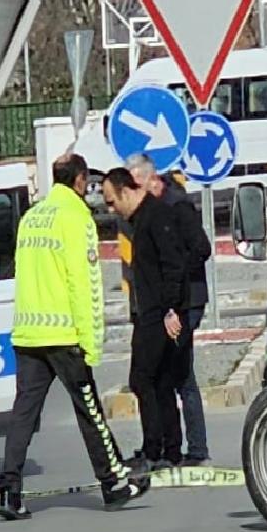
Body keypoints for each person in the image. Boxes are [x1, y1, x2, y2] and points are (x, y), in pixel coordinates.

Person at [0, 154, 147, 520]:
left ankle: (9, 491)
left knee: (23, 414)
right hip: (63, 333)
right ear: (80, 181)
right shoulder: (76, 218)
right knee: (89, 410)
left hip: (29, 332)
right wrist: (90, 343)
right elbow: (86, 286)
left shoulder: (32, 217)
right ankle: (113, 481)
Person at [122, 154, 214, 464]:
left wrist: (174, 277)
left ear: (152, 179)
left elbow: (201, 248)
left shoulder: (176, 206)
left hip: (187, 301)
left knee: (181, 375)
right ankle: (166, 446)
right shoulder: (151, 212)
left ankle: (197, 449)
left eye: (137, 184)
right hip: (171, 301)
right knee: (165, 374)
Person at [103, 167, 192, 469]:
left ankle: (158, 450)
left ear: (126, 191)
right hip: (149, 313)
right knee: (159, 382)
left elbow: (173, 265)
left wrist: (171, 309)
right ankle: (168, 450)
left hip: (158, 315)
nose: (110, 209)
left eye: (112, 201)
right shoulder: (141, 220)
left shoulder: (156, 217)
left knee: (143, 380)